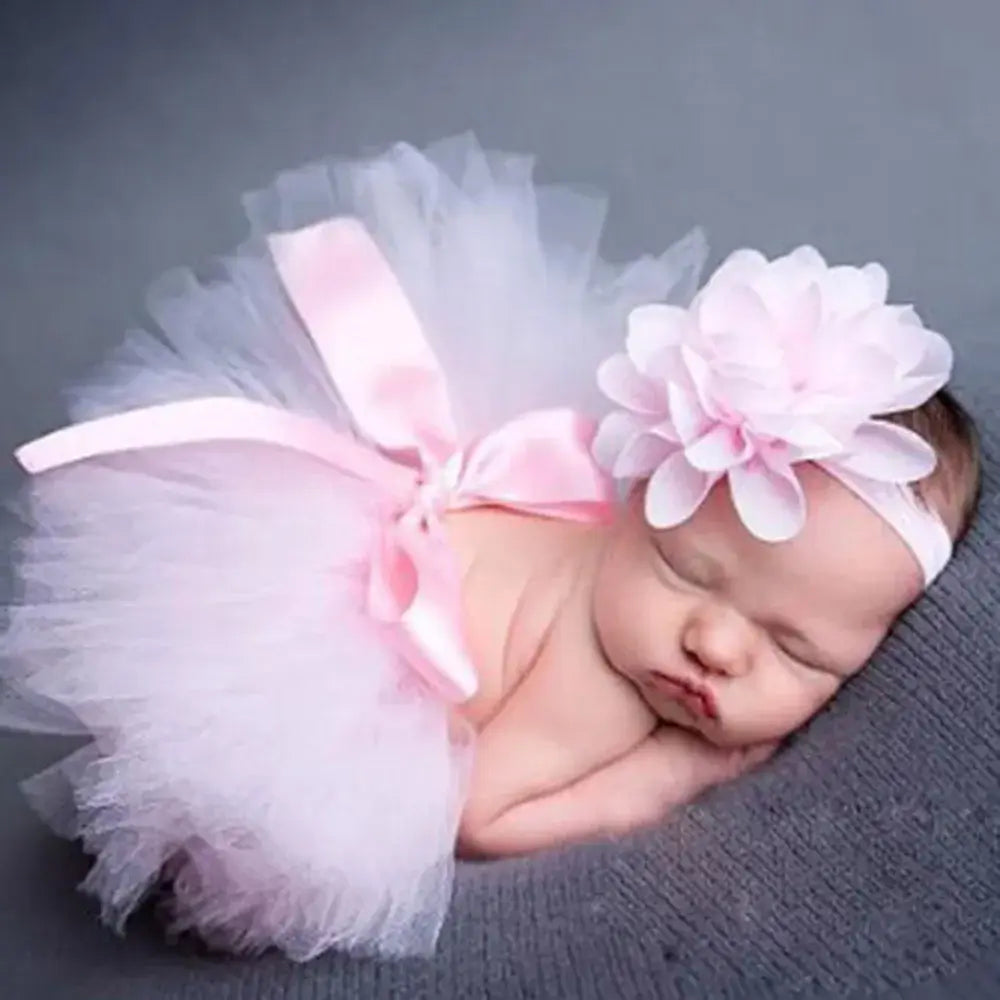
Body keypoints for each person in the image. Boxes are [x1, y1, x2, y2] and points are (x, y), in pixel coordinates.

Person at [0, 136, 979, 963]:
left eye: (796, 647)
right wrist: (665, 777)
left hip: (352, 561)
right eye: (684, 571)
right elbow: (484, 816)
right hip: (310, 658)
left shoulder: (665, 600)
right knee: (253, 818)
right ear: (637, 501)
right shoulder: (598, 692)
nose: (713, 645)